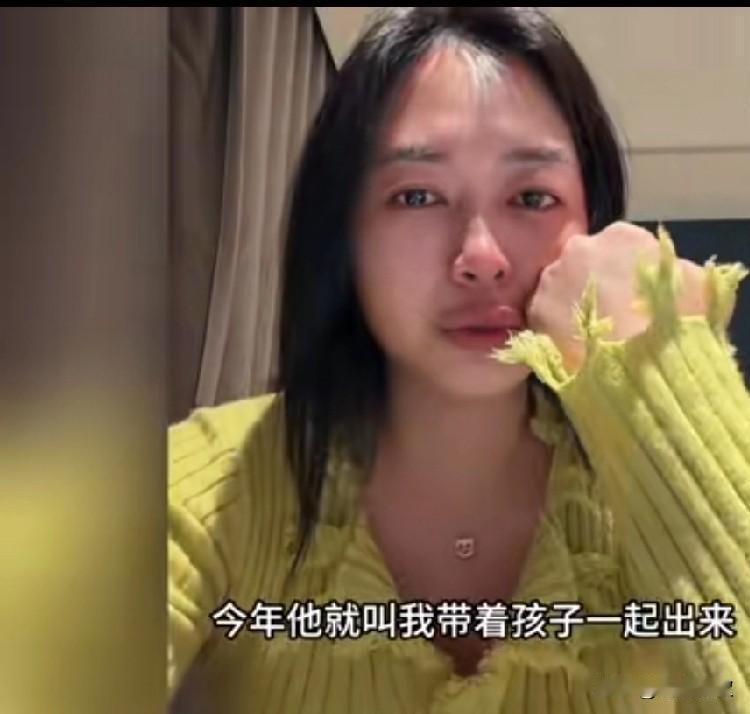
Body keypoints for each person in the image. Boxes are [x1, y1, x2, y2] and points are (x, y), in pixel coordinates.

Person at [168, 7, 749, 713]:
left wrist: (661, 374)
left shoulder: (647, 481)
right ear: (345, 236)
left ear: (591, 230)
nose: (481, 256)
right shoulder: (217, 478)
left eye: (532, 197)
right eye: (417, 196)